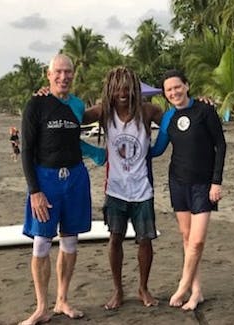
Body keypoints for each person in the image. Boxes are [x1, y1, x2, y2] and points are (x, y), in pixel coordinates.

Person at [19, 53, 101, 325]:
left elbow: (98, 116)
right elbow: (27, 151)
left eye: (68, 72)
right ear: (48, 74)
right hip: (46, 180)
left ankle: (62, 299)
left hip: (75, 178)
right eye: (58, 72)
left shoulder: (77, 105)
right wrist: (35, 191)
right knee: (41, 243)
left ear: (73, 75)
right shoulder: (36, 104)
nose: (63, 77)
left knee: (70, 241)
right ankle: (41, 307)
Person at [83, 66, 164, 310]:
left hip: (142, 189)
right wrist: (52, 97)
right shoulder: (104, 112)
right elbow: (74, 118)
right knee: (115, 239)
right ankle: (118, 290)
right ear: (110, 89)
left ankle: (143, 288)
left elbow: (178, 122)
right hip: (115, 189)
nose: (122, 92)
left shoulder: (148, 111)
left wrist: (196, 104)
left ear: (135, 89)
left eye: (127, 87)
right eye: (117, 87)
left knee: (145, 240)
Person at [151, 69, 226, 311]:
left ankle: (183, 285)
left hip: (204, 184)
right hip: (178, 183)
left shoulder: (205, 110)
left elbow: (220, 146)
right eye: (169, 90)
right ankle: (196, 292)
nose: (174, 92)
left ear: (187, 85)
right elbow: (158, 149)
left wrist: (217, 181)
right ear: (165, 94)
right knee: (186, 238)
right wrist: (129, 151)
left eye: (177, 87)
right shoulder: (168, 118)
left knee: (197, 242)